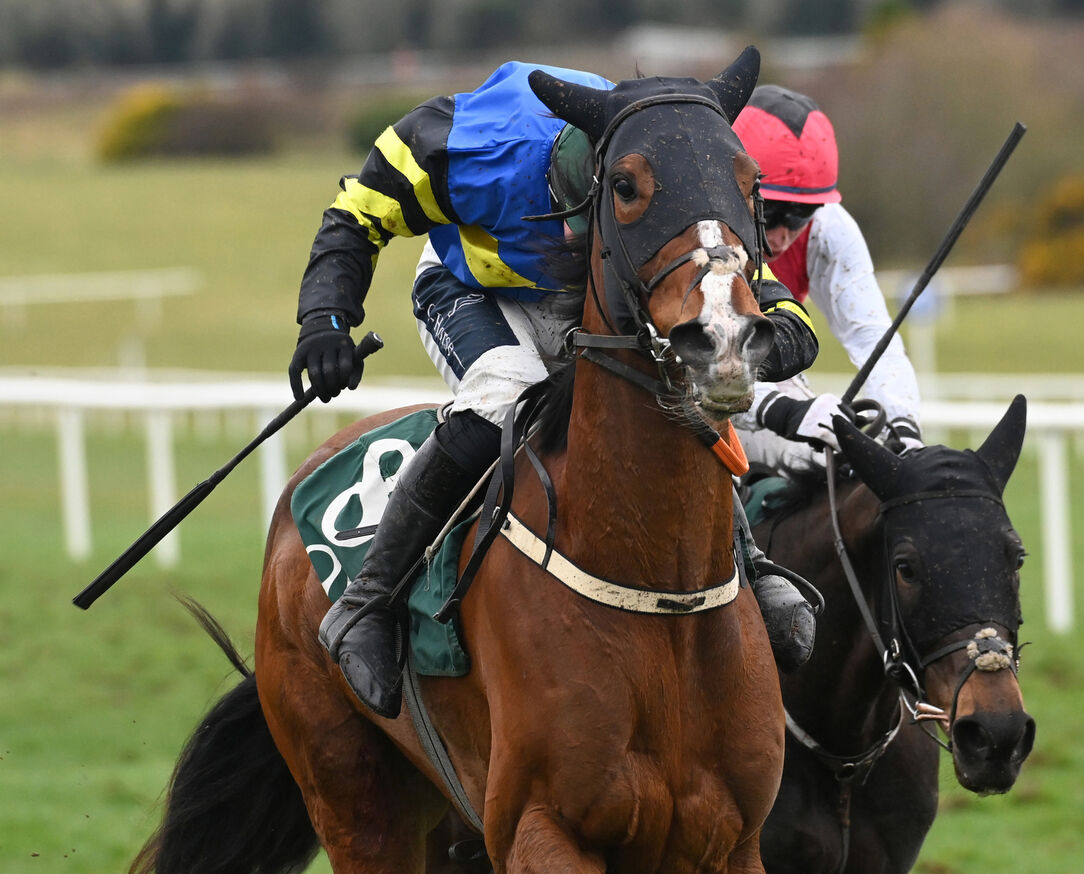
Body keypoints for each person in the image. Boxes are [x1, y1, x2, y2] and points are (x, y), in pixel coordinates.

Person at [288, 55, 821, 718]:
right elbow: (354, 216)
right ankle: (368, 601)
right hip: (473, 288)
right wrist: (326, 319)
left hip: (593, 282)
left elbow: (720, 261)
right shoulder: (467, 147)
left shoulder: (667, 157)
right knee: (504, 391)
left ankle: (749, 565)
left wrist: (780, 322)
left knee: (678, 375)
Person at [729, 86, 923, 472]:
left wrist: (904, 427)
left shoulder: (829, 227)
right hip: (674, 389)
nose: (783, 236)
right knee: (802, 453)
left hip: (763, 376)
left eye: (801, 216)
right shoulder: (698, 230)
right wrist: (782, 410)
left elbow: (872, 337)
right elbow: (690, 365)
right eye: (774, 210)